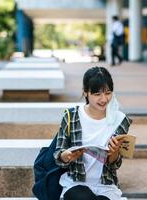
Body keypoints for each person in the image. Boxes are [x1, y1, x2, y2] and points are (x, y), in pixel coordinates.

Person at [53, 66, 132, 200]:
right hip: (76, 183)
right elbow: (58, 155)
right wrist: (65, 156)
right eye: (97, 94)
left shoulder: (120, 120)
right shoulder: (71, 116)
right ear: (85, 92)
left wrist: (114, 152)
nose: (104, 99)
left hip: (106, 186)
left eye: (108, 93)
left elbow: (115, 164)